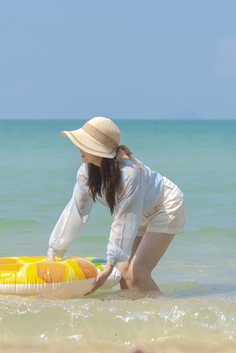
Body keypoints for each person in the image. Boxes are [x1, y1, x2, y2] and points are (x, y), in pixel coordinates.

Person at [47, 117, 186, 295]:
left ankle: (162, 315)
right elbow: (76, 210)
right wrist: (54, 251)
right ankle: (133, 317)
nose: (78, 147)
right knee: (124, 273)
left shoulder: (129, 174)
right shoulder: (86, 172)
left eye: (85, 143)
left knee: (138, 272)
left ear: (100, 150)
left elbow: (124, 220)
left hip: (165, 205)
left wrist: (109, 265)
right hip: (140, 211)